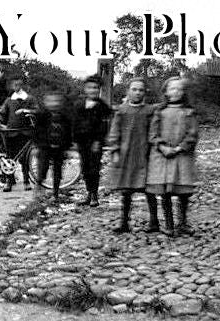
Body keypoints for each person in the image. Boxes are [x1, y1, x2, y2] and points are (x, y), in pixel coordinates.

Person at [145, 76, 200, 236]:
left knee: (183, 191)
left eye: (179, 89)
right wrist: (162, 146)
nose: (176, 92)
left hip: (182, 156)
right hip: (161, 156)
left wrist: (178, 148)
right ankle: (168, 224)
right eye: (172, 88)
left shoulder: (189, 112)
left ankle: (182, 222)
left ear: (183, 92)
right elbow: (152, 134)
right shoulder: (159, 112)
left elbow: (192, 135)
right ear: (166, 92)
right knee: (165, 191)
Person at [105, 78, 156, 233]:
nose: (137, 93)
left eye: (141, 90)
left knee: (149, 189)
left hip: (144, 154)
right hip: (126, 154)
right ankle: (124, 222)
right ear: (128, 91)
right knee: (126, 191)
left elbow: (154, 130)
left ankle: (154, 221)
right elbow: (115, 131)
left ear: (144, 92)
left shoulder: (149, 111)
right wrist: (114, 150)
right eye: (134, 89)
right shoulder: (121, 110)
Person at [73, 75, 112, 207]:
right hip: (82, 142)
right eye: (90, 87)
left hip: (95, 142)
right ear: (85, 89)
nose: (93, 90)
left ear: (99, 90)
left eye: (96, 88)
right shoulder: (79, 105)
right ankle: (89, 193)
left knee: (94, 168)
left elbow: (103, 127)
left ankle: (95, 194)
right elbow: (75, 123)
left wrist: (98, 141)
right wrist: (75, 139)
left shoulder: (102, 106)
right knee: (84, 167)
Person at [0, 75, 37, 191]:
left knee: (25, 158)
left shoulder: (29, 99)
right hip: (11, 133)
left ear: (23, 85)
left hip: (25, 133)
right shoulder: (9, 100)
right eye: (14, 85)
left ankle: (26, 181)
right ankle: (9, 181)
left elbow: (37, 111)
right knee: (10, 158)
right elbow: (1, 113)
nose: (16, 87)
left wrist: (25, 110)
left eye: (18, 84)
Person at [33, 90, 73, 201]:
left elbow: (69, 133)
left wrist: (67, 147)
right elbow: (37, 133)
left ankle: (55, 193)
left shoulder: (64, 117)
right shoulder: (42, 116)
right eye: (50, 101)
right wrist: (40, 145)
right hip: (45, 147)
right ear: (45, 102)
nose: (54, 104)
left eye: (56, 101)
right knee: (42, 169)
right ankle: (39, 188)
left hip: (59, 148)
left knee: (57, 171)